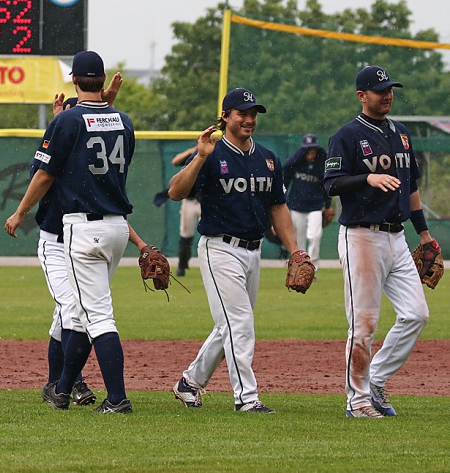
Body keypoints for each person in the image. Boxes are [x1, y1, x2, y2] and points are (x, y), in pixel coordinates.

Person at [5, 50, 149, 415]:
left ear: (74, 80)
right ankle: (64, 387)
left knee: (96, 316)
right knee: (83, 312)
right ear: (103, 80)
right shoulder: (125, 121)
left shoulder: (68, 122)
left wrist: (21, 211)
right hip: (117, 226)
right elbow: (102, 147)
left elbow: (45, 174)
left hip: (83, 230)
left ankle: (116, 398)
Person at [168, 87, 303, 414]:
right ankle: (247, 398)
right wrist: (199, 157)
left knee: (228, 324)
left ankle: (189, 382)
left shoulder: (268, 158)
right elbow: (175, 191)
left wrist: (295, 251)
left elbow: (278, 207)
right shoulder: (210, 153)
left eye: (253, 113)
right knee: (239, 323)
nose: (249, 119)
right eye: (242, 113)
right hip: (219, 248)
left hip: (252, 251)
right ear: (225, 117)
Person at [324, 66, 431, 419]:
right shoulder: (347, 136)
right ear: (361, 95)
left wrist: (425, 234)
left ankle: (377, 380)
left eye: (390, 89)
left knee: (416, 314)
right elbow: (332, 184)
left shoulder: (401, 134)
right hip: (361, 237)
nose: (387, 95)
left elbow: (411, 187)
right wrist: (367, 177)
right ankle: (357, 401)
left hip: (397, 237)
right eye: (379, 90)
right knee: (364, 325)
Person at [283, 133, 332, 271]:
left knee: (315, 236)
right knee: (299, 241)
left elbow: (326, 187)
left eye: (313, 150)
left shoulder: (321, 165)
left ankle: (313, 267)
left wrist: (328, 206)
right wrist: (282, 200)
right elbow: (285, 178)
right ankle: (301, 267)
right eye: (308, 150)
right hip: (296, 206)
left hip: (315, 206)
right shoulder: (296, 163)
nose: (311, 154)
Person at [171, 147, 201, 277]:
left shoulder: (216, 156)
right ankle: (182, 266)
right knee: (186, 235)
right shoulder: (193, 156)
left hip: (206, 201)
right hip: (189, 201)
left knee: (214, 233)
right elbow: (175, 161)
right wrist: (192, 151)